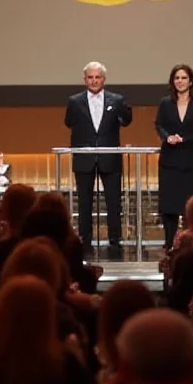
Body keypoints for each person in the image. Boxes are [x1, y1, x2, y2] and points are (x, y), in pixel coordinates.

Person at [65, 62, 132, 254]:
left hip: (109, 158)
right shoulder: (74, 101)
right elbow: (68, 122)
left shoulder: (116, 100)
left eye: (97, 77)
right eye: (90, 77)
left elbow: (127, 121)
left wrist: (123, 109)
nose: (94, 81)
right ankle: (85, 240)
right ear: (85, 79)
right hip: (84, 158)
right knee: (84, 202)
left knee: (113, 202)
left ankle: (114, 240)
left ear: (104, 79)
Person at [155, 64, 193, 248]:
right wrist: (167, 137)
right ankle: (169, 243)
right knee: (169, 206)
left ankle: (190, 241)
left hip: (191, 161)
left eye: (184, 78)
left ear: (191, 81)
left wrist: (184, 139)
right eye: (177, 78)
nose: (180, 81)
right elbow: (159, 124)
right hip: (169, 161)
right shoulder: (165, 103)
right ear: (172, 81)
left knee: (189, 205)